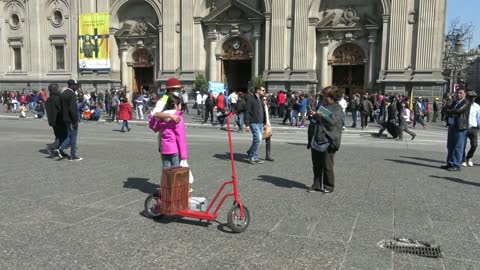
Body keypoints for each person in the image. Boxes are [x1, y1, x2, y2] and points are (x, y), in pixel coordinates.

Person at [307, 86, 343, 193]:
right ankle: (316, 185)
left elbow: (333, 122)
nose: (323, 98)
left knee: (327, 165)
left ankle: (329, 186)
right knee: (316, 164)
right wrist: (312, 115)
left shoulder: (337, 108)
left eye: (325, 96)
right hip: (317, 137)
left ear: (332, 97)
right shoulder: (322, 105)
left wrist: (321, 115)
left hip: (328, 140)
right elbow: (317, 120)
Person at [441, 88, 470, 171]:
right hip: (452, 125)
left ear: (465, 94)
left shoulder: (466, 102)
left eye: (461, 93)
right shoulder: (454, 102)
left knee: (458, 147)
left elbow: (459, 111)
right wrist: (448, 101)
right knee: (450, 145)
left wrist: (449, 111)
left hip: (460, 127)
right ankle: (450, 163)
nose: (458, 95)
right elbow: (445, 109)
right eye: (457, 93)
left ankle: (456, 165)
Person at [54, 79, 82, 161]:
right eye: (76, 85)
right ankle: (72, 155)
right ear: (72, 85)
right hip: (71, 119)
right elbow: (73, 110)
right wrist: (75, 121)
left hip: (65, 118)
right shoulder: (72, 94)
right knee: (74, 137)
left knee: (70, 135)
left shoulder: (63, 94)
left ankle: (61, 148)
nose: (77, 87)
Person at [158, 95, 188, 168]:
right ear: (175, 105)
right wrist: (183, 155)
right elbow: (180, 136)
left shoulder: (162, 116)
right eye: (180, 104)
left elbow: (156, 128)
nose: (181, 106)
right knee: (175, 173)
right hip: (174, 148)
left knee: (167, 171)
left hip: (164, 147)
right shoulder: (178, 118)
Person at [244, 86, 266, 164]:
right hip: (253, 122)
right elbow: (247, 112)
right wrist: (247, 124)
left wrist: (265, 122)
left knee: (257, 140)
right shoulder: (250, 99)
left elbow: (262, 111)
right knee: (258, 139)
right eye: (263, 90)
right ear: (258, 90)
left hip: (260, 123)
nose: (264, 91)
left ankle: (254, 155)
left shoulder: (260, 100)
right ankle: (251, 155)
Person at [46, 83, 68, 153]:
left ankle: (57, 149)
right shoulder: (58, 98)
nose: (59, 89)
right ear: (54, 89)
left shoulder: (48, 99)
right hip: (59, 120)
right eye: (57, 88)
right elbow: (60, 109)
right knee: (63, 136)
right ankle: (51, 147)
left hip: (52, 121)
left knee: (57, 135)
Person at [462, 92, 480, 167]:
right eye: (470, 97)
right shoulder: (463, 105)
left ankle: (469, 157)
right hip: (464, 127)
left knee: (474, 145)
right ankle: (463, 160)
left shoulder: (477, 106)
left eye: (473, 97)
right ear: (467, 97)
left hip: (474, 127)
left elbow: (478, 118)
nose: (472, 98)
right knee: (463, 145)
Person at [262, 95, 274, 161]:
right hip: (262, 125)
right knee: (257, 140)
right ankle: (251, 151)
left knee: (268, 140)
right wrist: (263, 123)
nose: (265, 101)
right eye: (264, 100)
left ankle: (268, 156)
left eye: (266, 100)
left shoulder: (266, 107)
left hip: (267, 125)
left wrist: (268, 124)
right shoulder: (260, 107)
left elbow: (267, 116)